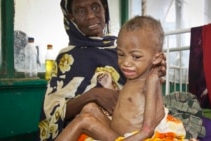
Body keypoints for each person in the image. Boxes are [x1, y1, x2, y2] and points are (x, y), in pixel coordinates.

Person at [37, 0, 166, 140]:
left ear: (104, 9)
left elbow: (137, 94)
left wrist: (154, 70)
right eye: (81, 11)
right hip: (96, 127)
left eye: (95, 7)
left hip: (128, 127)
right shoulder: (66, 58)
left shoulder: (124, 47)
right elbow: (51, 111)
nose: (91, 16)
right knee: (88, 110)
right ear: (71, 17)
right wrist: (93, 95)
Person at [56, 16, 192, 141]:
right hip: (117, 132)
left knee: (84, 121)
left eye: (136, 56)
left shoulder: (151, 79)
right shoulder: (135, 75)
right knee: (89, 108)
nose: (126, 63)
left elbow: (147, 130)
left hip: (133, 138)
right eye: (121, 54)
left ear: (156, 57)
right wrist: (109, 86)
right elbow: (130, 102)